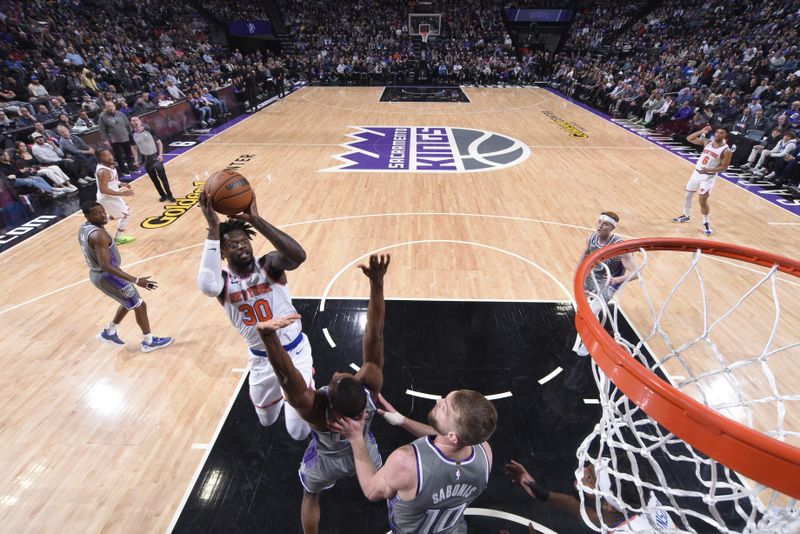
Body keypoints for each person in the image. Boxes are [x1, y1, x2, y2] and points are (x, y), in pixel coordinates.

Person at [252, 254, 390, 534]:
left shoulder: (315, 411)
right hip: (364, 452)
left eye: (336, 380)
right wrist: (377, 285)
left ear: (331, 401)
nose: (337, 373)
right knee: (386, 485)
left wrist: (269, 338)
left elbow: (286, 376)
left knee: (310, 495)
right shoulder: (370, 387)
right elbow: (374, 333)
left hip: (326, 462)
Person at [196, 193, 313, 439]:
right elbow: (206, 286)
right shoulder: (222, 280)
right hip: (262, 360)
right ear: (222, 251)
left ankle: (305, 385)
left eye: (244, 241)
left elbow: (298, 256)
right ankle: (286, 395)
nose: (241, 246)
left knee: (298, 432)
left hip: (296, 352)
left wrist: (256, 219)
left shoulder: (268, 264)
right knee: (267, 421)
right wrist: (213, 228)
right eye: (233, 244)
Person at [332, 386, 496, 534]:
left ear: (453, 436)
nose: (438, 400)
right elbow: (445, 438)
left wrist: (355, 437)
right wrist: (401, 420)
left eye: (444, 407)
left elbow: (371, 491)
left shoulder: (406, 462)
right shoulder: (484, 452)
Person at [78, 201, 172, 352]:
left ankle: (109, 331)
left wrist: (114, 215)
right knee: (140, 305)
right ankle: (148, 341)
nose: (102, 215)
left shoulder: (84, 227)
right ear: (87, 216)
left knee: (129, 301)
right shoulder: (99, 235)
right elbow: (106, 265)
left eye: (103, 211)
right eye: (97, 213)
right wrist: (136, 280)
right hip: (109, 275)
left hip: (98, 274)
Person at [504, 456, 675, 531]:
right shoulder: (643, 500)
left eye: (591, 478)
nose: (583, 471)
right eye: (589, 468)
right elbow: (594, 517)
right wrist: (543, 494)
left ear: (608, 505)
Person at [574, 212, 638, 357]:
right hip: (591, 276)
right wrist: (577, 272)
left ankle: (589, 342)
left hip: (609, 281)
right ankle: (590, 332)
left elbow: (636, 273)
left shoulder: (619, 246)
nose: (600, 225)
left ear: (612, 228)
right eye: (599, 222)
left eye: (605, 224)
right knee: (583, 310)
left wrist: (617, 280)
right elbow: (585, 253)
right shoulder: (591, 238)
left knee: (592, 311)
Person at [672, 126, 731, 236]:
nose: (718, 134)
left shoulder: (726, 150)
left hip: (708, 177)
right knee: (688, 195)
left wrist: (708, 169)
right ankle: (686, 216)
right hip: (696, 173)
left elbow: (724, 168)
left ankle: (706, 223)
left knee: (702, 200)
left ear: (725, 136)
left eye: (721, 133)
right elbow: (689, 138)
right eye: (717, 132)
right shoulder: (708, 142)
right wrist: (701, 131)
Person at [130, 116, 174, 202]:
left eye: (136, 120)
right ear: (131, 123)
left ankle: (170, 195)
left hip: (155, 156)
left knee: (163, 178)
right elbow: (133, 148)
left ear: (140, 121)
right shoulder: (131, 134)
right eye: (132, 121)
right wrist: (136, 160)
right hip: (145, 159)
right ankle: (162, 195)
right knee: (154, 179)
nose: (134, 122)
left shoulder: (148, 129)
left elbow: (159, 142)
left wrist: (160, 154)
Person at [95, 149, 135, 245]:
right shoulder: (103, 172)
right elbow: (103, 189)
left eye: (110, 154)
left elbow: (112, 181)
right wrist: (123, 194)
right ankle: (119, 238)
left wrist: (121, 183)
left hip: (112, 196)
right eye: (105, 155)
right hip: (107, 198)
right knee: (126, 214)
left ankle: (96, 222)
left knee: (123, 213)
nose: (110, 157)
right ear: (100, 159)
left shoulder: (110, 166)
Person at [98, 101, 134, 176]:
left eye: (112, 106)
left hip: (125, 136)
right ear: (105, 108)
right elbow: (102, 130)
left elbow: (127, 124)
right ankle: (124, 171)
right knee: (119, 155)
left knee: (128, 153)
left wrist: (131, 133)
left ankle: (131, 167)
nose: (111, 108)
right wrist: (105, 140)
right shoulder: (102, 116)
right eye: (108, 106)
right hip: (114, 139)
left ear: (114, 106)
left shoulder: (120, 113)